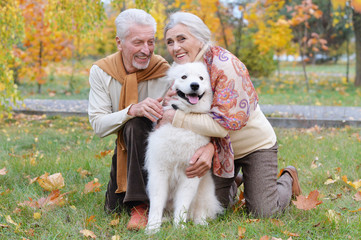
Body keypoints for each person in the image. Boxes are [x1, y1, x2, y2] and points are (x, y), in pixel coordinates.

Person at [160, 11, 301, 217]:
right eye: (170, 42)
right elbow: (172, 107)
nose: (175, 47)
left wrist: (175, 116)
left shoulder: (224, 66)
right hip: (220, 149)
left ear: (200, 38)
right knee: (213, 209)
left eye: (182, 39)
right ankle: (234, 181)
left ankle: (288, 177)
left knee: (263, 211)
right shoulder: (181, 67)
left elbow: (221, 126)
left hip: (253, 146)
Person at [88, 9, 170, 230]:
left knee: (136, 125)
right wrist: (131, 110)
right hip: (127, 150)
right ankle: (136, 200)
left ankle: (141, 206)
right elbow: (98, 125)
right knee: (112, 209)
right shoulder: (101, 72)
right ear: (119, 42)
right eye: (138, 42)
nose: (146, 50)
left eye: (151, 42)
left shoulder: (164, 71)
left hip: (160, 152)